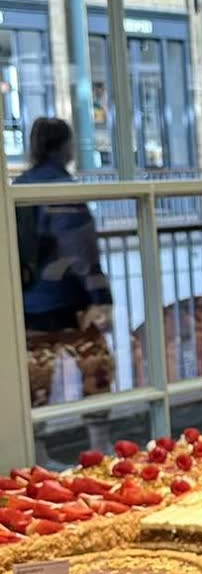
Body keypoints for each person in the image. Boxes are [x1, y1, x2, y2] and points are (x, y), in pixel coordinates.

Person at [16, 117, 115, 407]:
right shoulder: (63, 190)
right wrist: (100, 298)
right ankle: (98, 431)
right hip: (65, 301)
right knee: (93, 370)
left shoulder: (19, 186)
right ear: (65, 147)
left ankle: (38, 436)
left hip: (25, 300)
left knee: (35, 377)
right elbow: (81, 252)